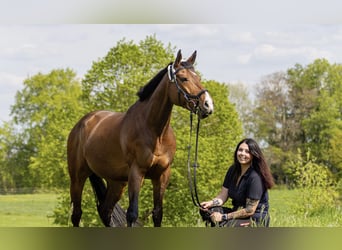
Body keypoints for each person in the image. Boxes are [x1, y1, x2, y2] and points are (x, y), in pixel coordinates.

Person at [200, 138, 275, 227]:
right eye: (240, 150)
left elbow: (249, 210)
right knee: (207, 210)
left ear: (253, 155)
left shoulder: (255, 177)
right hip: (236, 212)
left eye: (247, 151)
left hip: (253, 218)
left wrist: (223, 217)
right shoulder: (233, 170)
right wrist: (211, 203)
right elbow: (223, 196)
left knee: (224, 224)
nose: (242, 153)